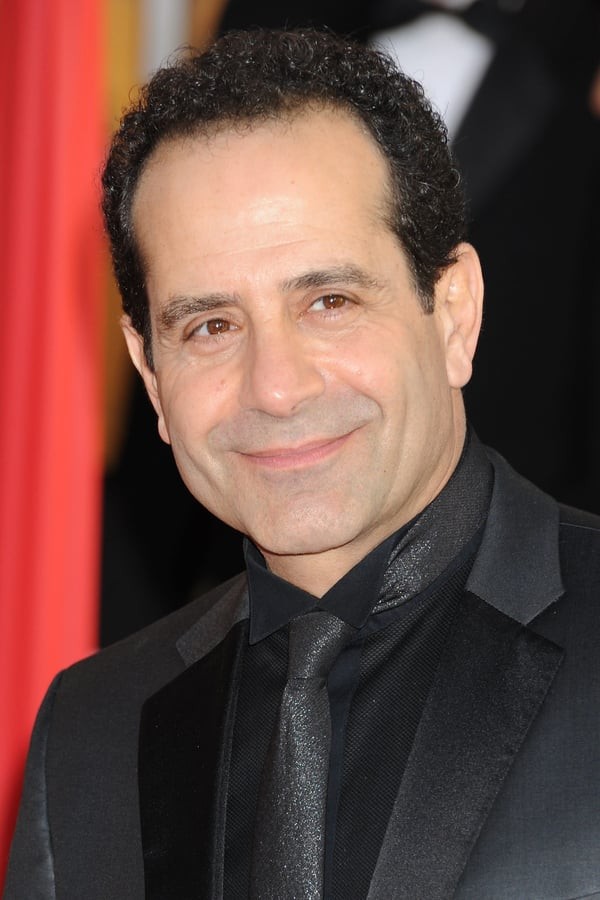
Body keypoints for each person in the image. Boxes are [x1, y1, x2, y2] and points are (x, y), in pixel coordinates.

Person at [6, 28, 600, 900]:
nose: (276, 388)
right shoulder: (90, 731)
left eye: (329, 301)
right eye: (211, 326)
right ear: (152, 375)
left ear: (454, 314)